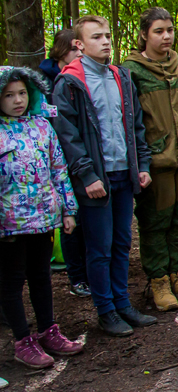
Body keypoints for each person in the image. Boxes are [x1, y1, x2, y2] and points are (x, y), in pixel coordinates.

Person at [52, 15, 156, 337]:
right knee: (100, 247)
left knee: (123, 242)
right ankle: (106, 310)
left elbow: (136, 125)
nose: (106, 41)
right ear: (79, 45)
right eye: (97, 37)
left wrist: (142, 165)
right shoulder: (69, 83)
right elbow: (67, 136)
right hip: (95, 180)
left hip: (124, 174)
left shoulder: (121, 77)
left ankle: (122, 303)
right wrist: (86, 175)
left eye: (108, 35)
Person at [121, 8, 178, 312]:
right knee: (155, 222)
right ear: (144, 34)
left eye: (170, 30)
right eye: (159, 31)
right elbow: (129, 122)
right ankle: (158, 280)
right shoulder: (131, 72)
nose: (167, 36)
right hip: (156, 161)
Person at [0, 67, 85, 368]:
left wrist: (68, 209)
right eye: (9, 95)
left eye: (22, 93)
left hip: (44, 217)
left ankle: (48, 331)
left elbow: (59, 168)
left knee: (41, 276)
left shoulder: (41, 125)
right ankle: (23, 340)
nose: (17, 100)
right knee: (11, 281)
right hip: (9, 224)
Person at [39, 29, 89, 293]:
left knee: (85, 218)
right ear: (60, 52)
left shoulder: (83, 76)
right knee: (72, 219)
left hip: (81, 157)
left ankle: (87, 272)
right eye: (73, 49)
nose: (79, 54)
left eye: (81, 48)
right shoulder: (43, 83)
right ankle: (77, 277)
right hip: (55, 164)